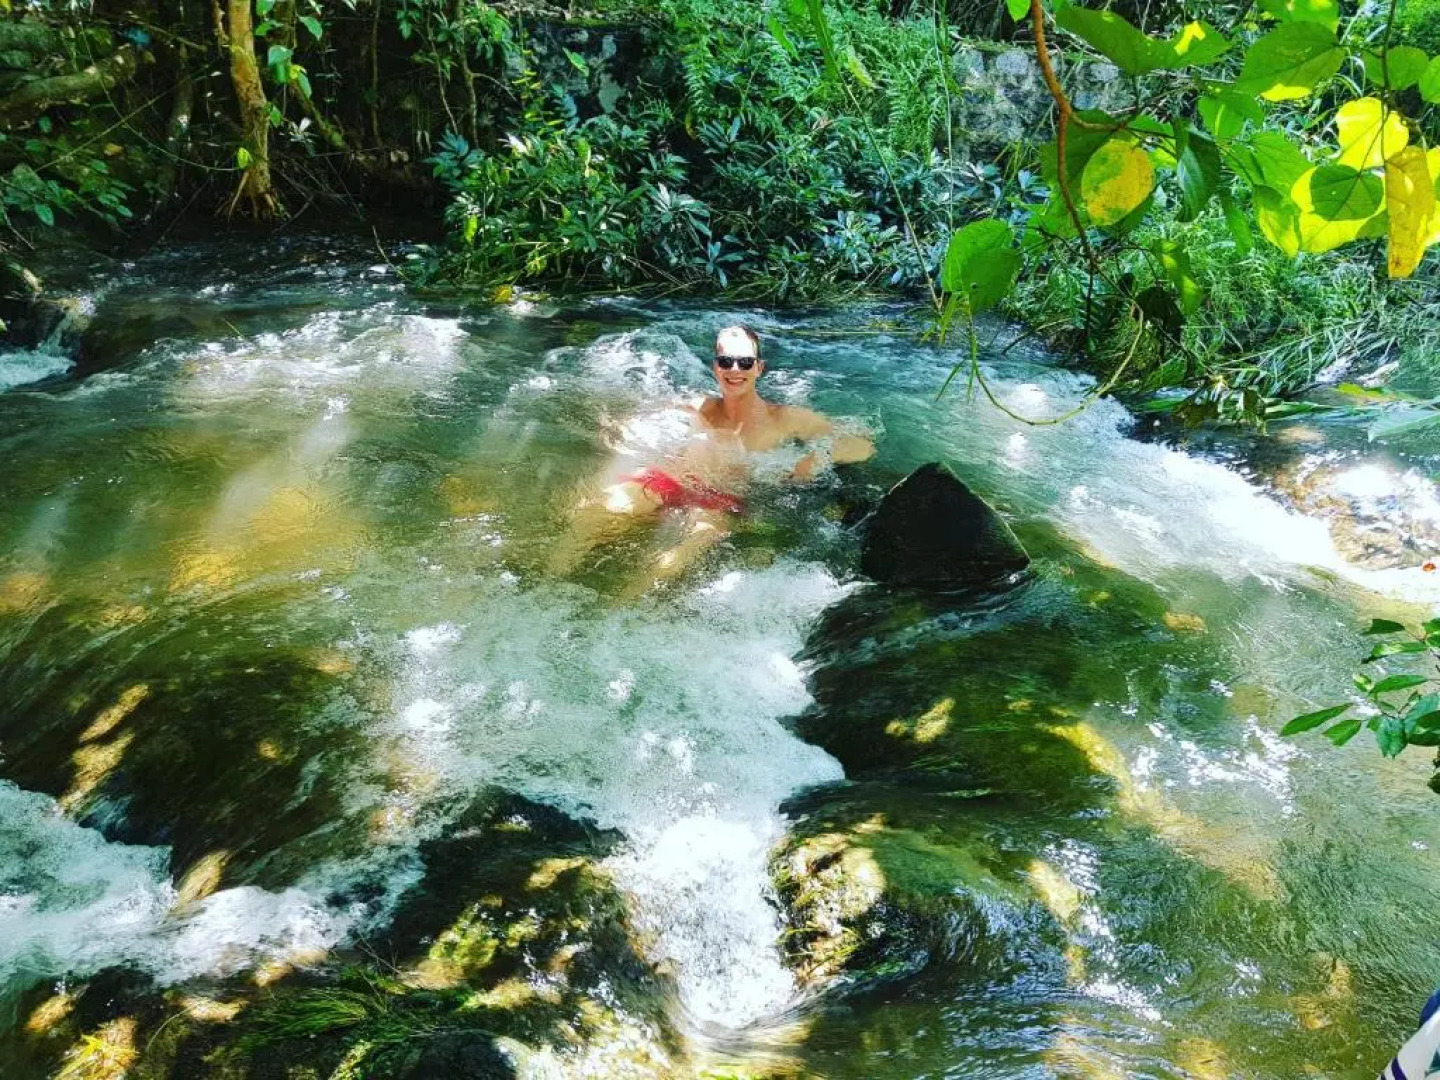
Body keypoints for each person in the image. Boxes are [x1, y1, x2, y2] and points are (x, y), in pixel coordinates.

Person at [547, 324, 874, 590]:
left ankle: (615, 617)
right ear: (715, 367)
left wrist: (818, 458)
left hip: (722, 500)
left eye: (745, 362)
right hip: (671, 479)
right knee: (592, 514)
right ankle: (545, 585)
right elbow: (632, 420)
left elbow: (862, 444)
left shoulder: (786, 418)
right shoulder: (698, 405)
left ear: (759, 368)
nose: (735, 369)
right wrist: (627, 432)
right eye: (726, 361)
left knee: (669, 565)